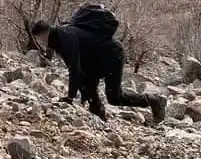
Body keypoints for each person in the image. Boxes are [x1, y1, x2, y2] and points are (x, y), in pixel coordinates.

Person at [29, 17, 166, 123]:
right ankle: (99, 117)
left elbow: (74, 69)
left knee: (115, 97)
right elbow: (77, 69)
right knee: (87, 85)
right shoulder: (59, 36)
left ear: (45, 33)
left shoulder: (65, 38)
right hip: (97, 58)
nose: (41, 42)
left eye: (40, 38)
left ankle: (154, 100)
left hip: (113, 55)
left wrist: (70, 97)